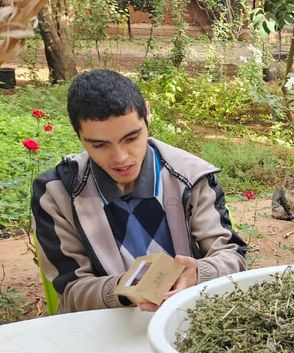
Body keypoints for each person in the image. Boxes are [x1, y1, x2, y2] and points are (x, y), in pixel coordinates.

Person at [31, 69, 247, 314]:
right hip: (107, 325)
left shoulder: (191, 177)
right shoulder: (56, 193)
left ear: (147, 114)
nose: (121, 158)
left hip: (188, 316)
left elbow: (232, 258)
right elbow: (71, 293)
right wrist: (124, 289)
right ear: (78, 135)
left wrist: (198, 272)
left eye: (131, 138)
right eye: (99, 145)